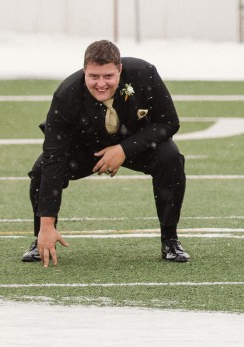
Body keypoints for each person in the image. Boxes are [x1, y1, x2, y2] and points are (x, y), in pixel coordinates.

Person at [22, 40, 189, 266]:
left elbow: (169, 123)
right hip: (84, 148)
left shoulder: (144, 73)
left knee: (171, 159)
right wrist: (46, 225)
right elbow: (55, 156)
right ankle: (41, 238)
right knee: (42, 170)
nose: (101, 84)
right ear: (84, 72)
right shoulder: (66, 95)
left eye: (108, 76)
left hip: (134, 142)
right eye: (94, 77)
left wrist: (123, 150)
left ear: (120, 69)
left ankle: (170, 239)